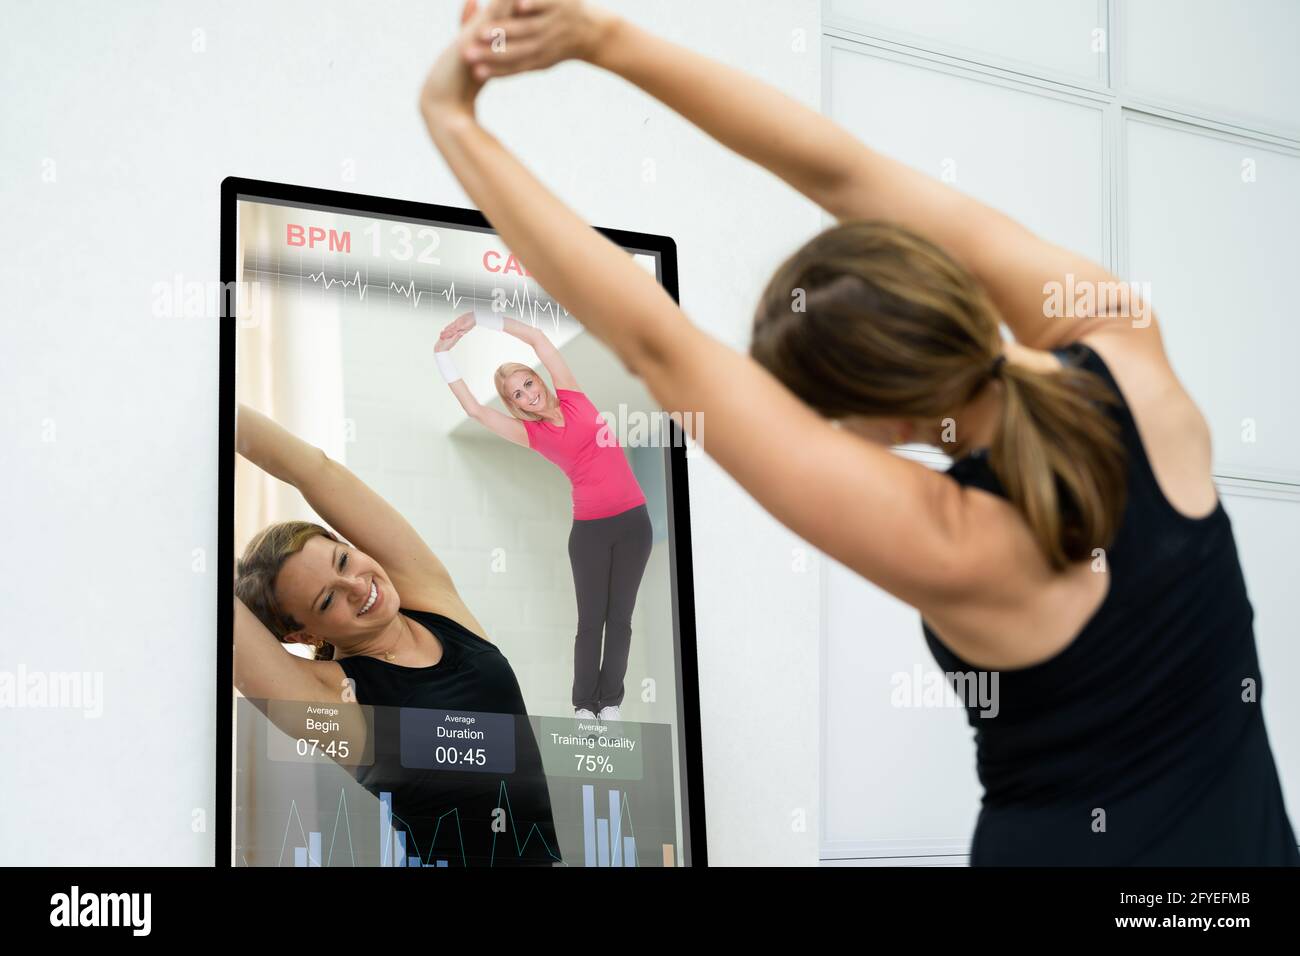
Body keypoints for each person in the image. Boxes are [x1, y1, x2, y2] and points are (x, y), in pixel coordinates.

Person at [411, 0, 1300, 864]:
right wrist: (602, 34)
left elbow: (657, 345)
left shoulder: (955, 541)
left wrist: (450, 118)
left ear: (878, 419)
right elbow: (843, 173)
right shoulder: (1131, 353)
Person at [233, 403, 558, 866]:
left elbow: (314, 469)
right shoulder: (330, 695)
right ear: (303, 633)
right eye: (327, 601)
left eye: (343, 560)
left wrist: (212, 403)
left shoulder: (430, 601)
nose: (357, 587)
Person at [433, 305, 651, 723]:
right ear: (515, 405)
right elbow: (475, 411)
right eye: (517, 394)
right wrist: (444, 355)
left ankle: (612, 702)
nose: (528, 393)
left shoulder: (572, 394)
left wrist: (479, 319)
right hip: (589, 531)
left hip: (634, 523)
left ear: (538, 379)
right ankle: (584, 705)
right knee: (591, 621)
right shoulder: (528, 433)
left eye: (528, 382)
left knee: (620, 617)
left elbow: (536, 337)